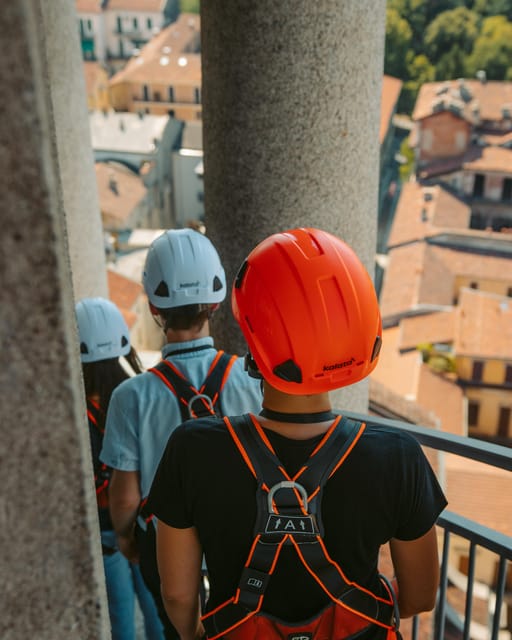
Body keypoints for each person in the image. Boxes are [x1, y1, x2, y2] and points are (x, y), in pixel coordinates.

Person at [147, 227, 448, 640]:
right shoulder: (399, 457)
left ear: (256, 339)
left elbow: (179, 596)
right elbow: (419, 596)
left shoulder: (192, 449)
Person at [100, 228, 263, 639]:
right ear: (215, 302)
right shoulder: (250, 378)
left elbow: (123, 494)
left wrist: (127, 540)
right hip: (243, 539)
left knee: (178, 630)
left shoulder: (129, 396)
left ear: (155, 307)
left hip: (164, 545)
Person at [76, 297, 165, 640]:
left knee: (120, 623)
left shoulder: (78, 413)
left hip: (105, 536)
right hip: (144, 524)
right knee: (159, 613)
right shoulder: (137, 396)